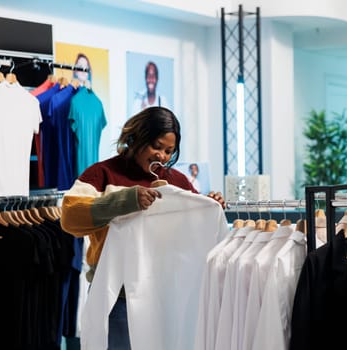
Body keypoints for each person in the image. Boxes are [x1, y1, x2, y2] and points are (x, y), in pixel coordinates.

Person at [60, 106, 225, 349]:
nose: (162, 156)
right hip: (119, 298)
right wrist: (124, 201)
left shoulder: (177, 181)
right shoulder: (102, 174)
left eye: (169, 151)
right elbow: (70, 217)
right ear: (136, 138)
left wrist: (211, 205)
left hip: (170, 294)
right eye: (157, 146)